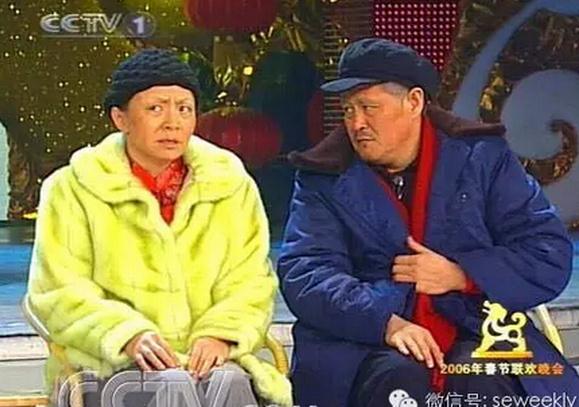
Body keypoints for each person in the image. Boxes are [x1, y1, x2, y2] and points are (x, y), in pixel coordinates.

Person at [277, 38, 578, 407]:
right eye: (348, 110)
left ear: (414, 102)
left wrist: (463, 274)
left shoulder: (482, 158)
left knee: (482, 377)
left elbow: (548, 253)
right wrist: (384, 321)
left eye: (369, 108)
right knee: (399, 378)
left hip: (474, 325)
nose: (357, 123)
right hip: (367, 339)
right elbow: (307, 273)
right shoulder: (322, 176)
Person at [27, 48, 291, 407]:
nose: (172, 122)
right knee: (170, 385)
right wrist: (128, 335)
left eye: (184, 109)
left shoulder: (230, 184)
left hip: (208, 358)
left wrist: (220, 334)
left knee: (228, 383)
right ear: (120, 118)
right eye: (155, 108)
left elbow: (251, 282)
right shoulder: (72, 187)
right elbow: (58, 292)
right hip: (104, 363)